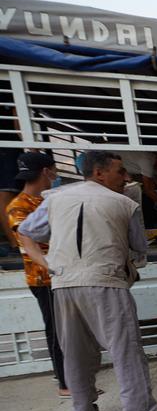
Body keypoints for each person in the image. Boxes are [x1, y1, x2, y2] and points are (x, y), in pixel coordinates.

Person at [18, 151, 157, 411]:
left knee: (75, 354)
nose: (126, 178)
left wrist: (50, 261)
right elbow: (138, 246)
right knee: (126, 353)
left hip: (63, 284)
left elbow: (28, 231)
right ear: (98, 173)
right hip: (105, 282)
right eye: (120, 172)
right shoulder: (124, 203)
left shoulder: (56, 198)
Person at [6, 152, 69, 397]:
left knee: (68, 330)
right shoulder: (18, 206)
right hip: (44, 278)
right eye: (53, 170)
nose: (55, 174)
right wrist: (52, 264)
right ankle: (64, 383)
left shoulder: (49, 200)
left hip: (63, 276)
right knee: (56, 330)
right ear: (46, 171)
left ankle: (72, 377)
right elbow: (28, 243)